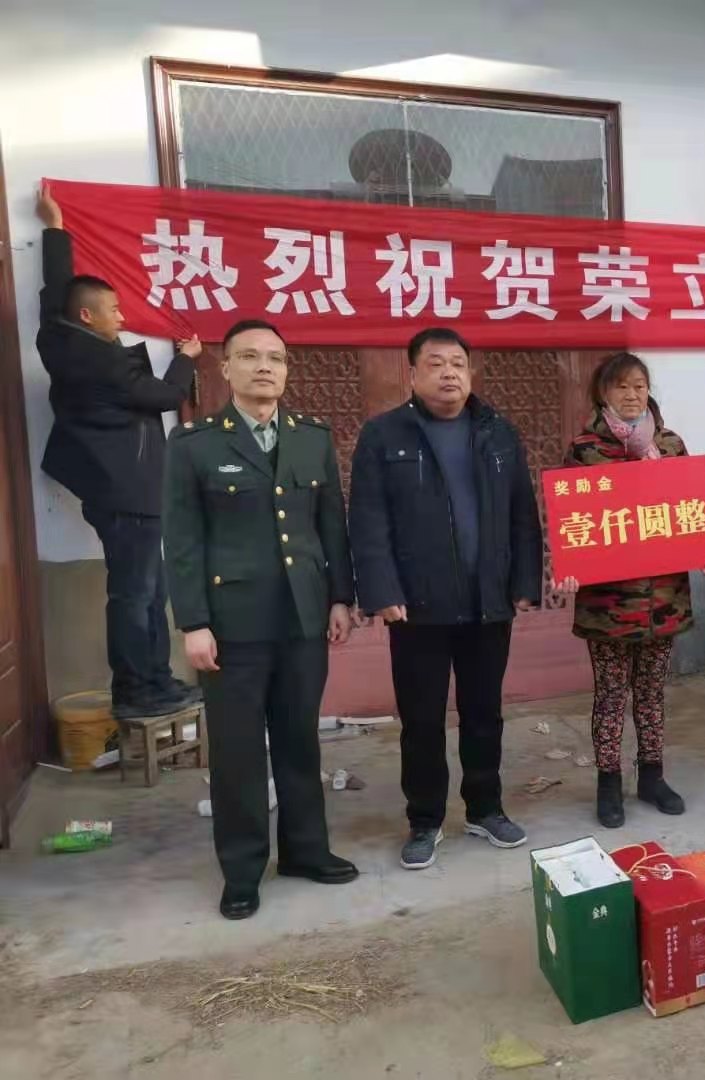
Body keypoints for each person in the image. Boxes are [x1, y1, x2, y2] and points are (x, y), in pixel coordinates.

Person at [163, 319, 357, 920]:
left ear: (287, 369)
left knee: (299, 740)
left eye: (275, 357)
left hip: (303, 618)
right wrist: (193, 622)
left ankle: (305, 851)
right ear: (226, 368)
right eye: (249, 356)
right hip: (231, 627)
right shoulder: (194, 445)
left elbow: (330, 524)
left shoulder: (311, 438)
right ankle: (243, 871)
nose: (264, 367)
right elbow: (183, 540)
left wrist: (340, 598)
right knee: (239, 752)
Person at [349, 328, 542, 871]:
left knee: (484, 712)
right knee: (422, 720)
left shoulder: (498, 432)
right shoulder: (384, 435)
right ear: (413, 374)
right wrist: (382, 590)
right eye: (435, 364)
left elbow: (522, 514)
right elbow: (367, 519)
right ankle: (425, 819)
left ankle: (485, 807)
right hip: (417, 607)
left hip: (488, 602)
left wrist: (525, 582)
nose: (449, 373)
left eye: (458, 362)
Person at [35, 182, 203, 719]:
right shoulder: (107, 364)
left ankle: (155, 680)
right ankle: (137, 689)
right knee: (137, 594)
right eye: (113, 310)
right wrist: (187, 356)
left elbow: (56, 292)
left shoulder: (56, 340)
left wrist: (55, 229)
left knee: (145, 591)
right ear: (88, 318)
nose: (123, 317)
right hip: (130, 494)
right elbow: (169, 396)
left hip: (113, 490)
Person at [553, 352, 705, 828]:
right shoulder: (585, 449)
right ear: (602, 393)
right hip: (607, 605)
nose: (632, 395)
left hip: (662, 600)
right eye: (621, 386)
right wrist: (568, 566)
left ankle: (652, 776)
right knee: (611, 696)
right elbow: (572, 522)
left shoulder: (670, 446)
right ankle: (608, 783)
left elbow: (688, 512)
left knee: (651, 693)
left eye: (639, 386)